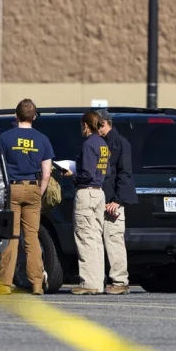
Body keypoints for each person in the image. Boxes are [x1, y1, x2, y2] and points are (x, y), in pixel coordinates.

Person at [0, 99, 54, 296]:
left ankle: (5, 283)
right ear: (34, 117)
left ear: (16, 116)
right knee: (32, 238)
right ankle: (37, 284)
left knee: (12, 236)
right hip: (33, 188)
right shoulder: (42, 139)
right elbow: (47, 172)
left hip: (12, 189)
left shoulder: (5, 138)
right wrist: (39, 192)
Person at [67, 111, 110, 295]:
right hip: (99, 193)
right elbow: (104, 172)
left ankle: (88, 283)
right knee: (96, 239)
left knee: (85, 238)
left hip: (86, 193)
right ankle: (97, 282)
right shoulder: (103, 144)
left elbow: (86, 174)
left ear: (86, 125)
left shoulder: (88, 145)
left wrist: (71, 175)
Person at [97, 110, 138, 295]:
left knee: (114, 241)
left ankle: (120, 281)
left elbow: (124, 174)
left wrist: (117, 201)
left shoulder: (120, 143)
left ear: (104, 123)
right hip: (99, 200)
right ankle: (98, 281)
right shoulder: (97, 143)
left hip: (113, 202)